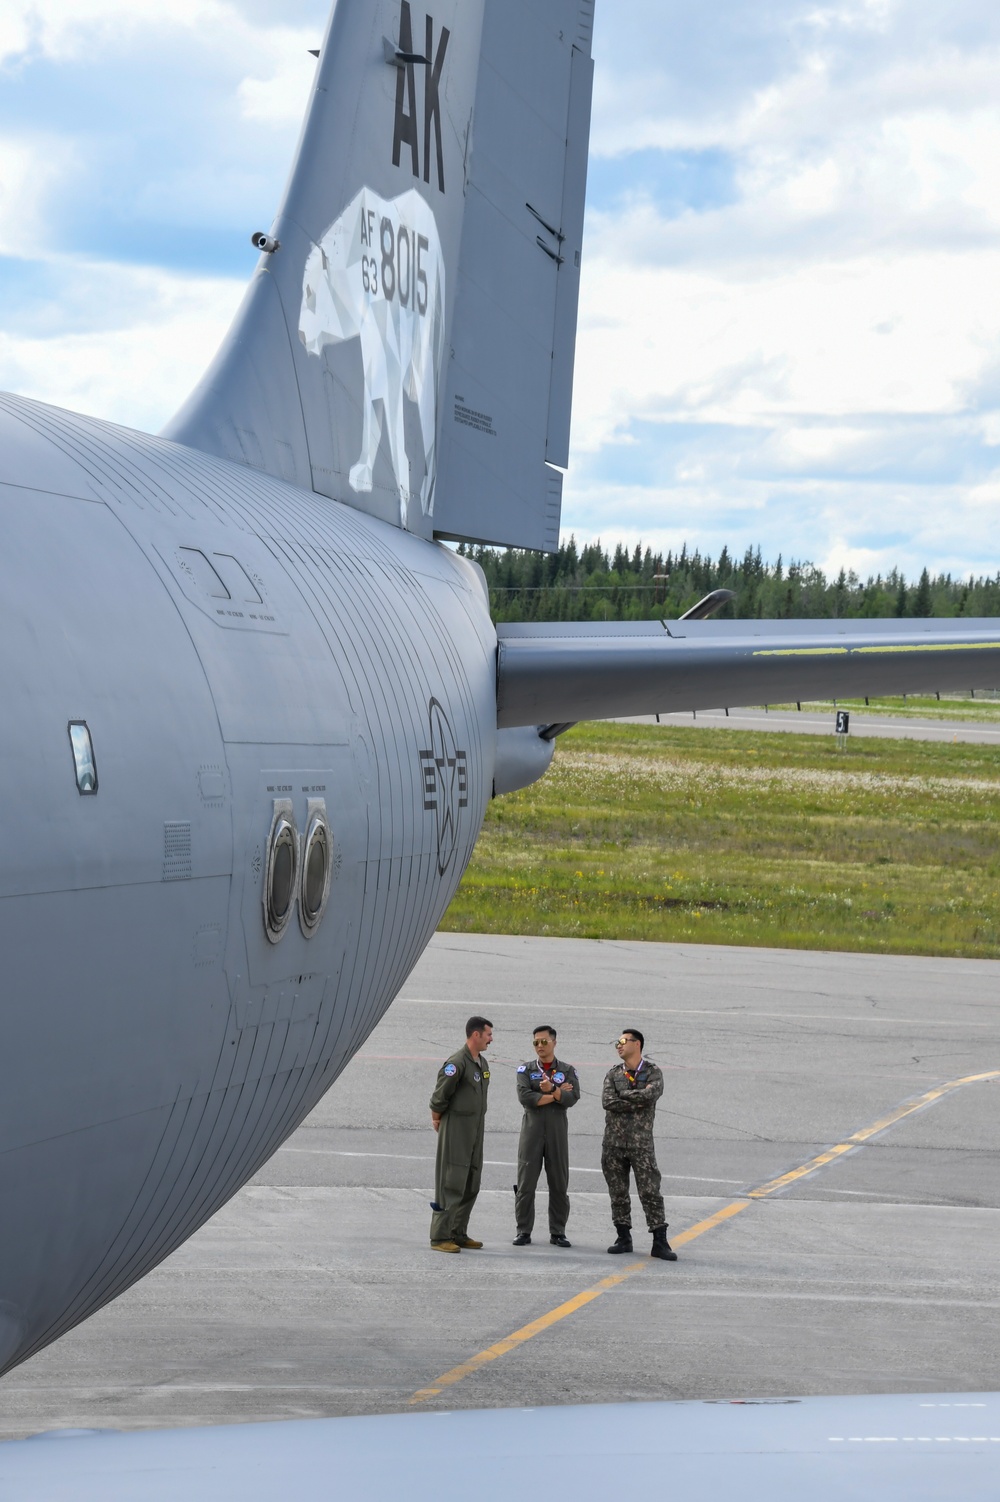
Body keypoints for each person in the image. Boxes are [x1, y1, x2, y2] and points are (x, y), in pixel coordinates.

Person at [601, 1029, 677, 1261]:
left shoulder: (653, 1072)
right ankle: (623, 1237)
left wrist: (623, 1095)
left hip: (641, 1145)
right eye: (618, 1042)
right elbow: (607, 1102)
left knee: (650, 1191)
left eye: (623, 1041)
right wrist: (635, 1095)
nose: (619, 1045)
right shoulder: (613, 1074)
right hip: (613, 1144)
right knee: (618, 1193)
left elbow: (651, 1096)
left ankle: (659, 1240)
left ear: (638, 1044)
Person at [428, 1016, 492, 1252]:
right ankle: (439, 1236)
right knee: (451, 1181)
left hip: (475, 1129)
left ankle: (458, 1231)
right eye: (488, 1034)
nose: (491, 1039)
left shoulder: (482, 1063)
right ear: (476, 1035)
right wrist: (437, 1117)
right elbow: (440, 1095)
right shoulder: (457, 1062)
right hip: (456, 1128)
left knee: (471, 1180)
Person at [513, 1026, 581, 1248]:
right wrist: (556, 1093)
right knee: (526, 1183)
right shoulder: (525, 1069)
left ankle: (558, 1231)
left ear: (554, 1042)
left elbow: (572, 1098)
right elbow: (526, 1097)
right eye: (536, 1043)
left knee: (559, 1182)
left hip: (556, 1132)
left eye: (544, 1042)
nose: (540, 1046)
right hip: (531, 1132)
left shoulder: (568, 1070)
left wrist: (553, 1090)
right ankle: (523, 1230)